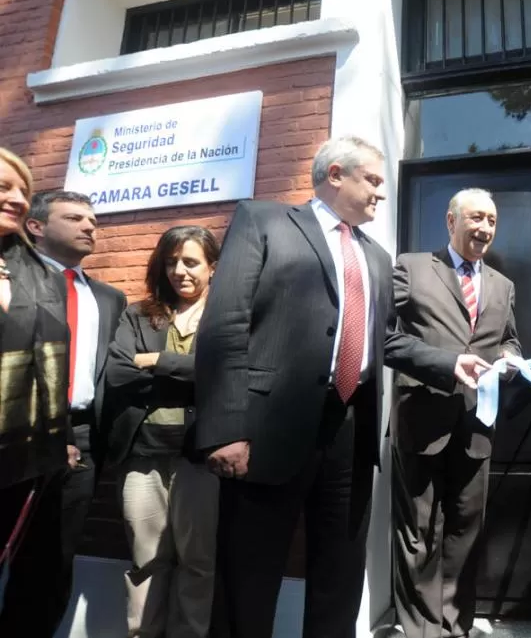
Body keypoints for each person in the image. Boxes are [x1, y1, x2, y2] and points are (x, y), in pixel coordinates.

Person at [195, 135, 491, 638]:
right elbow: (226, 323)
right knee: (248, 577)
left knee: (340, 575)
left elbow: (387, 341)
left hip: (350, 436)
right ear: (335, 174)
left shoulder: (377, 257)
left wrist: (448, 361)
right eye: (372, 180)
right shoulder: (264, 221)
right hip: (267, 431)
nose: (381, 192)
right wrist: (224, 429)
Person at [392, 188, 521, 638]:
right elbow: (385, 338)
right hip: (421, 422)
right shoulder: (411, 267)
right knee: (419, 537)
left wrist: (510, 360)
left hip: (474, 427)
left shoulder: (503, 286)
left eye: (491, 220)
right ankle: (421, 630)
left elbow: (510, 340)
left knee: (465, 531)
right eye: (476, 218)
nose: (485, 228)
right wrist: (446, 365)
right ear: (451, 222)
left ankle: (453, 628)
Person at [0, 191, 126, 634]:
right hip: (13, 431)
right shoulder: (8, 282)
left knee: (52, 560)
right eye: (74, 218)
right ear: (35, 226)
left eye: (93, 219)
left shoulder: (110, 299)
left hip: (83, 439)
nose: (90, 226)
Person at [105, 226, 221, 638]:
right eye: (171, 262)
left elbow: (225, 374)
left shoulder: (225, 319)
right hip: (143, 457)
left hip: (202, 459)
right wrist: (188, 371)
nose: (179, 271)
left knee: (198, 561)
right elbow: (118, 372)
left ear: (212, 267)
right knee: (147, 559)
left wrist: (155, 361)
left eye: (190, 261)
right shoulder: (139, 314)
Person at [0, 149, 73, 636]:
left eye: (23, 190)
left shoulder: (41, 274)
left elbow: (52, 366)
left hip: (20, 457)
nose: (19, 198)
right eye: (5, 187)